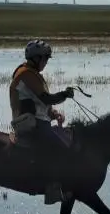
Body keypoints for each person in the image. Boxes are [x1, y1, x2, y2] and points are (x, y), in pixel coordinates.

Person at [8, 39, 76, 204]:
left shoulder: (33, 74)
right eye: (45, 58)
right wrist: (64, 95)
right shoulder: (25, 74)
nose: (46, 62)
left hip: (38, 121)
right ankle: (52, 189)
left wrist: (54, 113)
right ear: (36, 58)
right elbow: (46, 98)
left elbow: (40, 103)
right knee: (60, 147)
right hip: (31, 124)